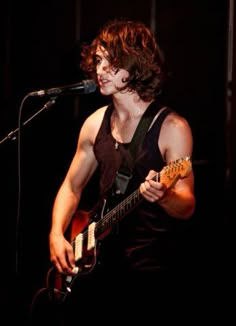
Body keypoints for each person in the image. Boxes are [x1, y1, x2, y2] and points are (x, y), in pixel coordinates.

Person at [47, 18, 195, 324]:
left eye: (111, 63)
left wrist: (164, 196)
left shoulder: (172, 128)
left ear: (134, 65)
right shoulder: (94, 123)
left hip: (149, 275)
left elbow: (187, 205)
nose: (100, 71)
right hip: (99, 274)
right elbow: (71, 188)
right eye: (99, 61)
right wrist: (56, 234)